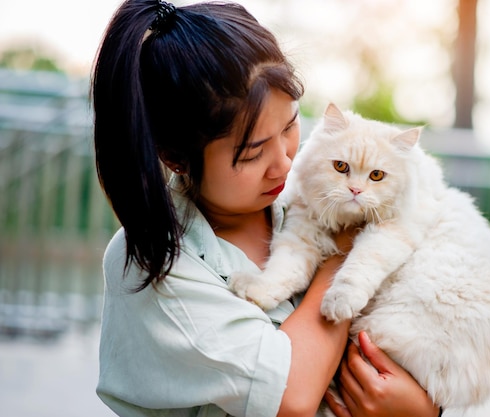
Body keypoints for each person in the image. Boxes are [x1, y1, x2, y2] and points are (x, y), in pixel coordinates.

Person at [92, 0, 442, 416]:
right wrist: (345, 253)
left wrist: (424, 410)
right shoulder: (155, 265)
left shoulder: (301, 192)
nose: (285, 163)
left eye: (291, 126)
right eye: (253, 152)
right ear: (176, 157)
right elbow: (289, 397)